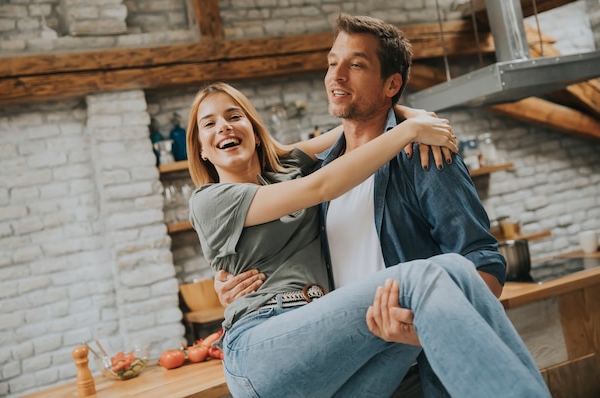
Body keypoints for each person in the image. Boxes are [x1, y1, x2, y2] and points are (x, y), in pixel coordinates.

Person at [213, 14, 517, 397]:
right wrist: (230, 281)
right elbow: (286, 253)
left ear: (392, 83)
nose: (336, 76)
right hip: (354, 373)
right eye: (331, 62)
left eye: (355, 64)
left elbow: (482, 263)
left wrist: (422, 327)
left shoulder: (421, 155)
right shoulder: (317, 174)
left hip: (416, 369)